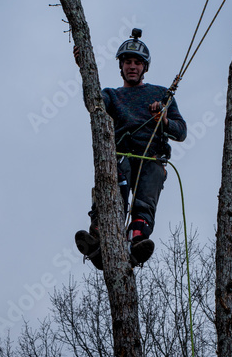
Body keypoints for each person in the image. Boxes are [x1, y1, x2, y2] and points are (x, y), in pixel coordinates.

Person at [73, 29, 187, 269]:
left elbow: (181, 131)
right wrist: (85, 70)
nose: (132, 67)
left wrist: (163, 120)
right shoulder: (112, 96)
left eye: (137, 63)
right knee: (117, 179)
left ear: (145, 67)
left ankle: (137, 238)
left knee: (151, 179)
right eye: (127, 62)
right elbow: (92, 103)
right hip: (121, 154)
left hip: (150, 155)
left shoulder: (160, 95)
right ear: (121, 66)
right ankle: (99, 233)